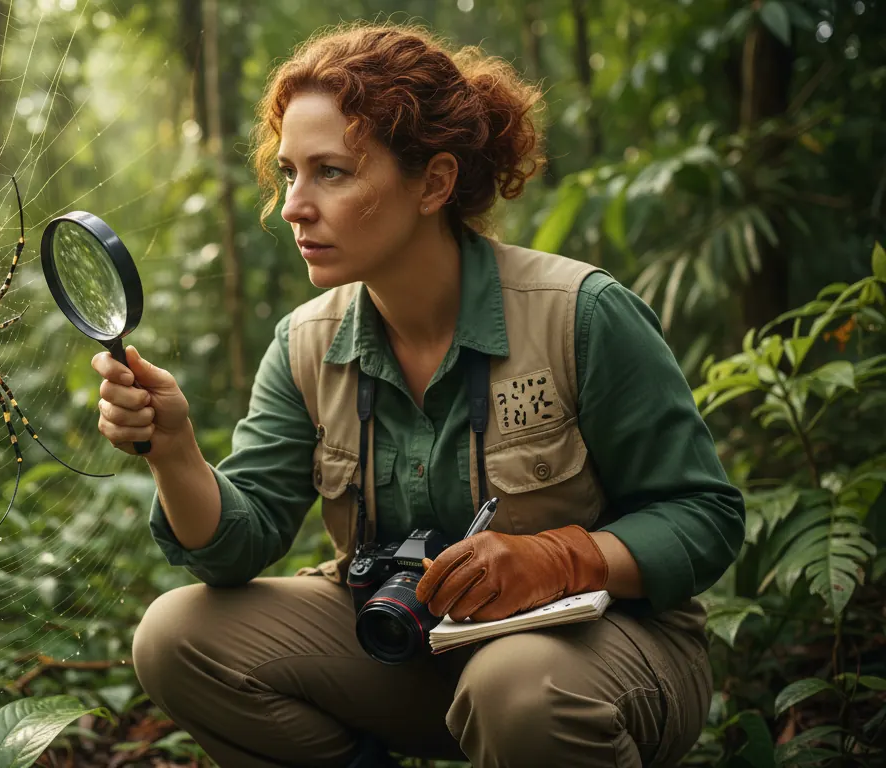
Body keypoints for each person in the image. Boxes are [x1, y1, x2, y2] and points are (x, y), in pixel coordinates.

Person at [90, 22, 744, 768]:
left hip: (599, 657)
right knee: (176, 637)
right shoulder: (307, 342)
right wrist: (174, 450)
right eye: (290, 172)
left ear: (433, 183)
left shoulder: (580, 314)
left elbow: (706, 517)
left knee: (516, 687)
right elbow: (236, 547)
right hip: (407, 649)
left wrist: (564, 559)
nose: (294, 206)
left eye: (331, 172)